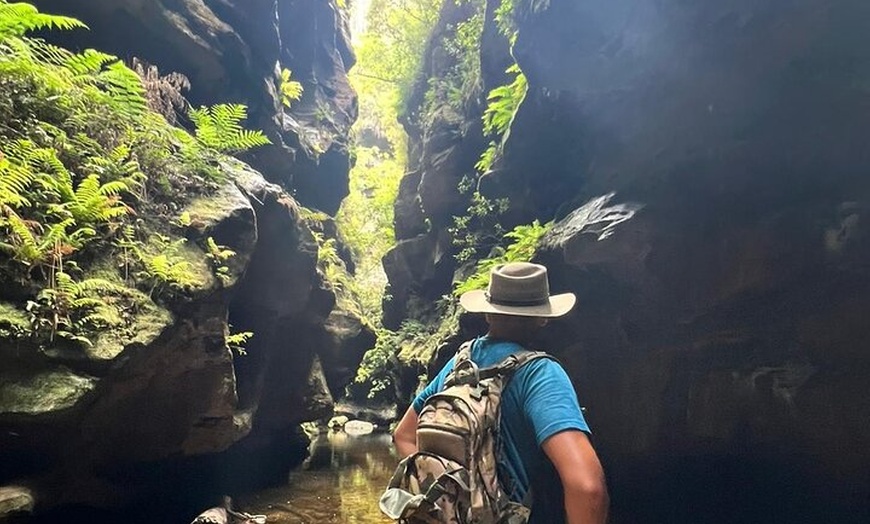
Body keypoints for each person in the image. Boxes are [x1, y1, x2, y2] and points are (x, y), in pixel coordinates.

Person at [392, 262, 609, 524]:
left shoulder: (459, 365)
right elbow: (587, 488)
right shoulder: (540, 375)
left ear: (488, 314)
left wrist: (450, 502)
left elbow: (403, 436)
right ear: (543, 317)